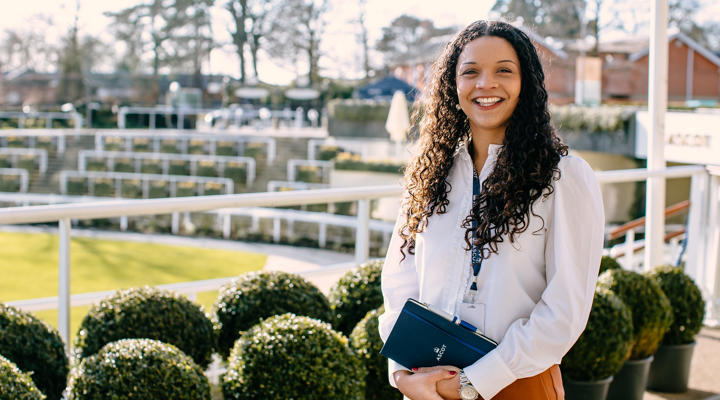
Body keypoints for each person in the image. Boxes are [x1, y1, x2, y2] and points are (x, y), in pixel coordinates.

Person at [378, 20, 605, 400]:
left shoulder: (565, 178)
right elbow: (398, 282)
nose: (485, 84)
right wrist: (402, 374)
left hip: (518, 385)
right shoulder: (429, 172)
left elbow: (564, 312)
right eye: (471, 72)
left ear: (525, 84)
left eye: (504, 70)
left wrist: (472, 383)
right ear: (453, 84)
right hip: (427, 385)